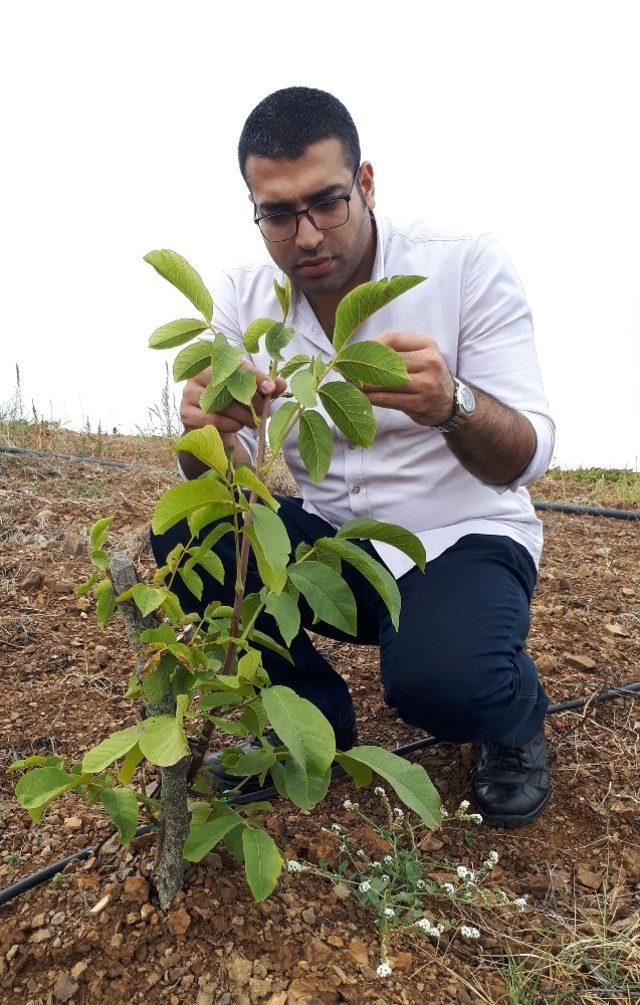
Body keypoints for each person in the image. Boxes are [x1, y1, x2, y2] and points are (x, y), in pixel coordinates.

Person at [149, 86, 556, 828]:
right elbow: (222, 479)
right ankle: (307, 723)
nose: (305, 235)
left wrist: (453, 404)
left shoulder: (461, 265)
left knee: (442, 683)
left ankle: (514, 714)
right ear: (254, 208)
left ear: (365, 184)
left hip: (461, 536)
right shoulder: (246, 298)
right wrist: (206, 437)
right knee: (191, 529)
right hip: (335, 543)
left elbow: (526, 458)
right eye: (277, 213)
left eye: (326, 203)